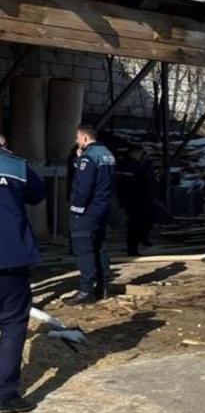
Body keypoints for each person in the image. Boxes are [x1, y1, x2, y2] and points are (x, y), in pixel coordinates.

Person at [0, 133, 46, 413]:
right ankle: (5, 395)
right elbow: (38, 194)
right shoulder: (14, 165)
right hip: (10, 259)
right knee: (13, 324)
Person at [66, 125, 117, 305]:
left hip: (88, 210)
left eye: (78, 137)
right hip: (103, 207)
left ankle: (85, 290)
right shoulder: (107, 154)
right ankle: (103, 286)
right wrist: (78, 160)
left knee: (84, 249)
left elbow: (83, 186)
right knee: (99, 246)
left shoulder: (89, 157)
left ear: (85, 138)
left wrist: (76, 208)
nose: (76, 141)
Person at [116, 145, 156, 256]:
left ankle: (140, 240)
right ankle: (133, 248)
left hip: (138, 198)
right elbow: (130, 183)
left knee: (144, 221)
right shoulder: (130, 165)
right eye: (140, 153)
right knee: (135, 224)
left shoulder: (136, 164)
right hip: (135, 199)